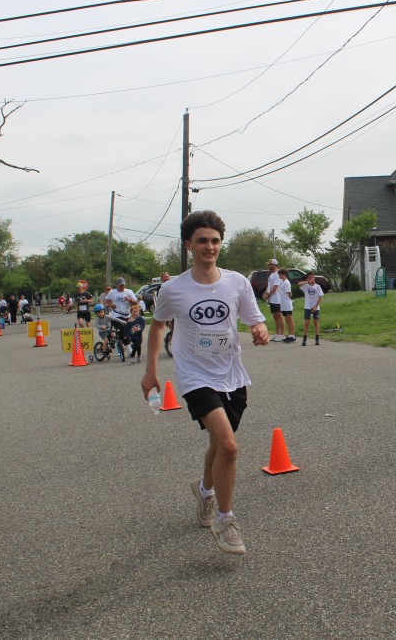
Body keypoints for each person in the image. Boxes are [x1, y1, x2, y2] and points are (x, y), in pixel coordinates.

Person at [141, 210, 269, 556]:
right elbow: (158, 326)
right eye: (201, 241)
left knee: (218, 443)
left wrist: (260, 330)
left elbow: (254, 319)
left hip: (232, 374)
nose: (209, 247)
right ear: (188, 245)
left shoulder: (237, 282)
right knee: (228, 446)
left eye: (214, 241)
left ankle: (204, 490)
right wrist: (151, 371)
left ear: (221, 243)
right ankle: (226, 521)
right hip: (195, 376)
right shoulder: (173, 289)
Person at [106, 278, 138, 348]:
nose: (122, 287)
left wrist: (130, 300)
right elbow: (107, 299)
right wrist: (111, 305)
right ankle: (128, 347)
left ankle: (124, 342)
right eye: (120, 285)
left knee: (129, 330)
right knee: (122, 329)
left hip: (126, 315)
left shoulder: (129, 292)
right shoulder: (112, 292)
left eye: (123, 285)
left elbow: (136, 302)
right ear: (117, 285)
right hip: (116, 314)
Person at [298, 272, 324, 346]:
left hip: (315, 307)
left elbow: (320, 297)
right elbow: (299, 284)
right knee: (306, 323)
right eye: (309, 277)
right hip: (307, 307)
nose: (311, 279)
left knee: (316, 323)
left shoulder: (317, 286)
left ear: (314, 278)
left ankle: (317, 339)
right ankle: (304, 340)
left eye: (312, 277)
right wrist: (307, 282)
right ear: (307, 278)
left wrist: (315, 307)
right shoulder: (305, 286)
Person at [264, 258, 284, 342]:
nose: (268, 266)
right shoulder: (271, 274)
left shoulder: (277, 274)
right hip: (272, 299)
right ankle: (277, 333)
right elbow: (269, 286)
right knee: (275, 316)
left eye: (270, 265)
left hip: (277, 299)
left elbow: (275, 287)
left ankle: (282, 335)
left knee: (279, 316)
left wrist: (268, 294)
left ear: (274, 265)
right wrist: (265, 293)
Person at [277, 268, 296, 342]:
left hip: (287, 304)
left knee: (289, 319)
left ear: (284, 274)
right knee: (287, 320)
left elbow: (290, 294)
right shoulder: (283, 282)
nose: (279, 275)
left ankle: (292, 335)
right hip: (283, 304)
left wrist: (289, 299)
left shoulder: (286, 283)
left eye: (280, 274)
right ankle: (289, 334)